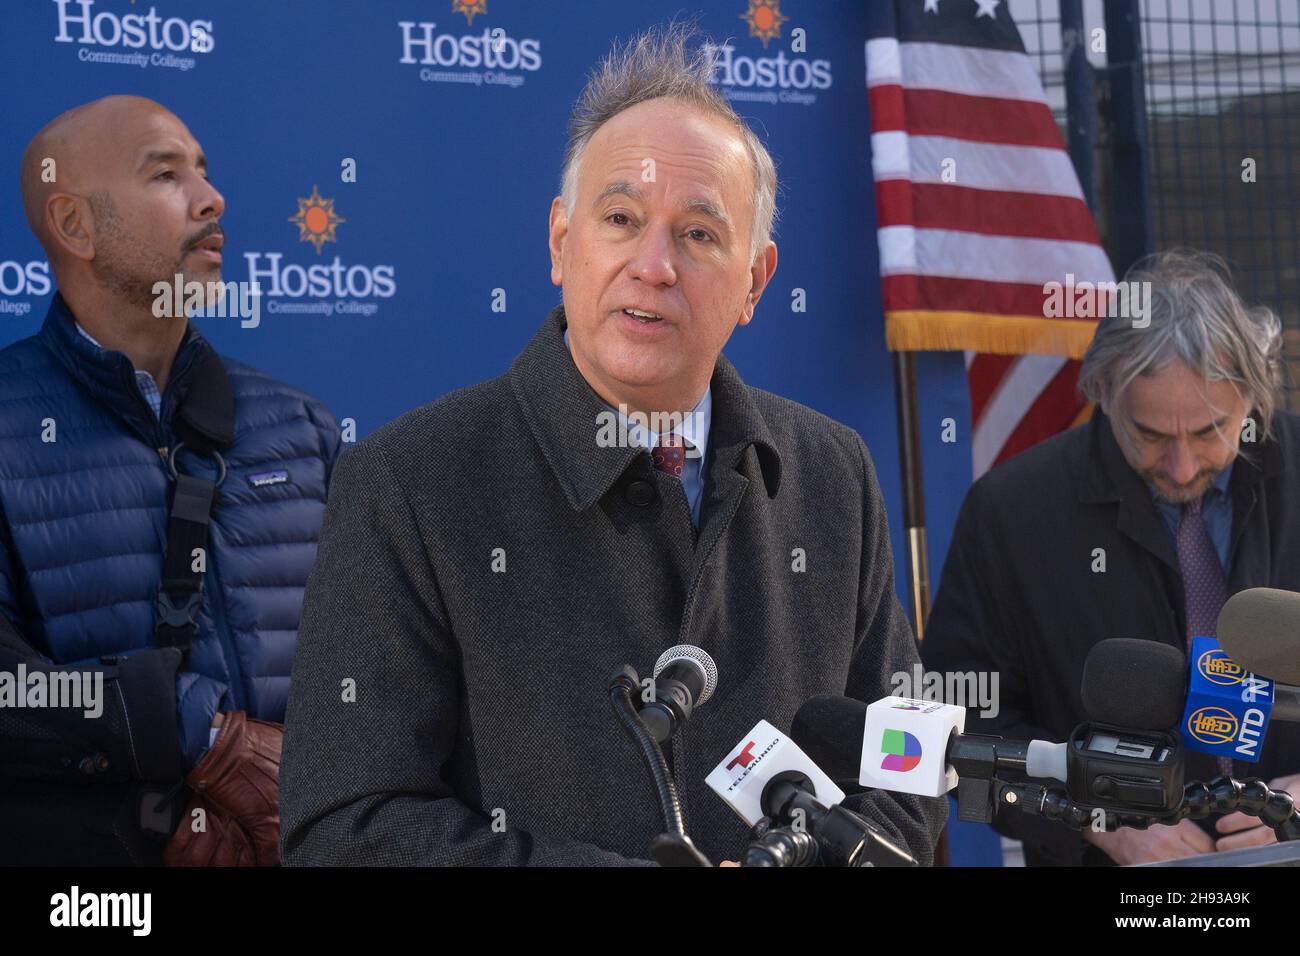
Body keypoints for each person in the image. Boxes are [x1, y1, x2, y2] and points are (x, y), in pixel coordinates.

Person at [279, 24, 947, 866]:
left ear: (756, 280)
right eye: (622, 218)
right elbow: (345, 830)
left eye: (699, 234)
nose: (654, 265)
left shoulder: (833, 472)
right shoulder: (407, 482)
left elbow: (908, 776)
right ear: (562, 242)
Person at [0, 95, 341, 865]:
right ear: (75, 226)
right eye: (165, 173)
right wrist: (209, 740)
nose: (211, 197)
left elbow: (389, 665)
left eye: (204, 170)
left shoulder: (305, 427)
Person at [922, 250, 1300, 865]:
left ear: (1255, 397)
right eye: (1149, 435)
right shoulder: (1012, 512)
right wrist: (1099, 819)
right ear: (1101, 390)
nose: (1181, 466)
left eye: (1209, 432)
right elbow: (962, 721)